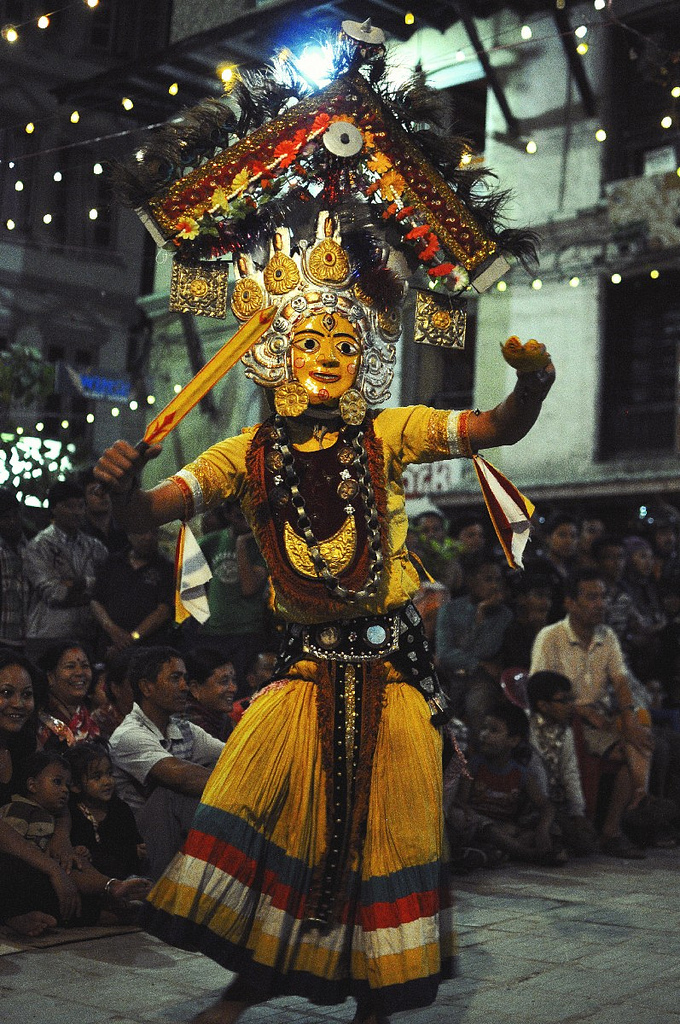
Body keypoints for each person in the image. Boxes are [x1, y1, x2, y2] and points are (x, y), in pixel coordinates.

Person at [94, 26, 554, 1024]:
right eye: (308, 338)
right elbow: (147, 515)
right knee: (265, 816)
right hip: (301, 678)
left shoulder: (387, 432)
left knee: (385, 835)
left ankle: (379, 1003)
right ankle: (249, 980)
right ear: (280, 356)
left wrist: (531, 383)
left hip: (386, 673)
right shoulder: (241, 453)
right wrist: (124, 484)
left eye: (342, 339)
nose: (326, 350)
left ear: (361, 356)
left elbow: (492, 428)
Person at [530, 569, 653, 857]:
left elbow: (621, 680)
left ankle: (630, 810)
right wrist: (581, 710)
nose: (600, 604)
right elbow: (540, 690)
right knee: (625, 751)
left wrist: (629, 716)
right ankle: (622, 819)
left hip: (600, 718)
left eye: (603, 597)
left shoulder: (606, 636)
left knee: (640, 735)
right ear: (570, 602)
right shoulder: (550, 637)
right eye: (591, 597)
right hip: (564, 719)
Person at [107, 646, 224, 880]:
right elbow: (181, 777)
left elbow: (233, 756)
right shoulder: (128, 735)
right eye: (175, 678)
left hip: (177, 836)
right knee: (172, 793)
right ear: (146, 687)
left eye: (185, 678)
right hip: (141, 845)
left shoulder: (183, 728)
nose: (184, 687)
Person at [0, 750, 151, 925]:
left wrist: (73, 850)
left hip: (49, 866)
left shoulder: (54, 814)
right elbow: (13, 848)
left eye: (67, 784)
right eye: (57, 782)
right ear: (32, 786)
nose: (65, 789)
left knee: (77, 863)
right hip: (27, 869)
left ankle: (111, 887)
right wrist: (49, 862)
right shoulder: (20, 810)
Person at [449, 701, 558, 865]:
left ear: (513, 740)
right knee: (479, 826)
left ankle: (495, 852)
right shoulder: (474, 766)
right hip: (480, 825)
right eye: (484, 728)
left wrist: (543, 831)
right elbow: (462, 802)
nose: (484, 734)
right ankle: (529, 855)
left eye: (493, 730)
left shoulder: (521, 774)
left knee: (530, 831)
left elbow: (546, 806)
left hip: (505, 828)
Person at [24, 480, 107, 661]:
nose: (77, 512)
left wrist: (74, 584)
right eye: (70, 506)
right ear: (53, 508)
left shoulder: (95, 546)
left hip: (86, 633)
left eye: (80, 506)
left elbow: (106, 589)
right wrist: (88, 587)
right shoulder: (39, 546)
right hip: (47, 634)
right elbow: (54, 593)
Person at [435, 555, 513, 734]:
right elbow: (444, 654)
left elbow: (486, 649)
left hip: (480, 680)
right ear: (471, 581)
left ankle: (481, 753)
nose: (494, 585)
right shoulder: (449, 610)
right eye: (488, 579)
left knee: (478, 703)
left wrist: (481, 615)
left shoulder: (503, 615)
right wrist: (480, 663)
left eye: (497, 580)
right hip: (449, 677)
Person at [525, 671, 599, 856]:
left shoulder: (565, 731)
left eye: (570, 699)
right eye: (563, 701)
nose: (570, 706)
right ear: (543, 705)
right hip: (530, 803)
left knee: (587, 843)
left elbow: (570, 772)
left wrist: (577, 812)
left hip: (556, 803)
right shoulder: (526, 727)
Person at [66, 739, 147, 881]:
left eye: (109, 773)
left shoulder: (120, 810)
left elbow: (134, 848)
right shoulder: (72, 814)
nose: (107, 781)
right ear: (75, 785)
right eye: (97, 777)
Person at [91, 526, 174, 658]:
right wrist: (112, 630)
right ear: (130, 534)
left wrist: (131, 638)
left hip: (149, 649)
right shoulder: (112, 562)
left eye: (153, 532)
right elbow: (96, 601)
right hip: (110, 644)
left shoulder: (167, 568)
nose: (147, 537)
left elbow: (163, 611)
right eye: (142, 532)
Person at [35, 641, 101, 750]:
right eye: (70, 667)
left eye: (85, 666)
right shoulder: (40, 722)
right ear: (50, 677)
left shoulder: (90, 716)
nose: (80, 672)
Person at [185, 646, 237, 741]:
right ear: (195, 688)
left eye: (233, 680)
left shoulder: (223, 721)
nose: (233, 688)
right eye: (224, 681)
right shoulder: (187, 727)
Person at [0, 487, 30, 651]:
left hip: (28, 637)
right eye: (5, 518)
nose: (12, 522)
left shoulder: (33, 546)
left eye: (15, 516)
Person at [79, 466, 129, 553]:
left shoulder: (125, 530)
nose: (102, 495)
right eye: (94, 491)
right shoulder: (79, 535)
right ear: (84, 498)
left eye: (105, 489)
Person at [229, 648, 277, 726]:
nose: (277, 673)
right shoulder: (236, 712)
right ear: (252, 679)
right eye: (270, 669)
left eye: (278, 668)